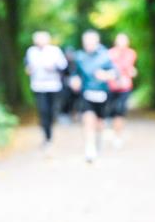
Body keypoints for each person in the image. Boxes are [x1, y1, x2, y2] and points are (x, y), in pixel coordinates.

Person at [70, 30, 117, 163]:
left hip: (102, 94)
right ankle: (89, 148)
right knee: (88, 119)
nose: (88, 44)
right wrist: (75, 80)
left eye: (91, 41)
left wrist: (106, 75)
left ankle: (97, 141)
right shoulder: (79, 56)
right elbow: (74, 73)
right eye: (86, 41)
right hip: (86, 93)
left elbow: (114, 73)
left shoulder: (105, 56)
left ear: (97, 42)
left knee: (99, 123)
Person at [25, 30, 68, 150]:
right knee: (43, 111)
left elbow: (63, 66)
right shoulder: (31, 52)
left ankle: (50, 128)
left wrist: (53, 67)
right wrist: (30, 69)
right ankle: (47, 136)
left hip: (53, 86)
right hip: (38, 86)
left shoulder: (55, 51)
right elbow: (27, 68)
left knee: (52, 110)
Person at [106, 32, 138, 147]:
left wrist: (131, 72)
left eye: (124, 41)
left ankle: (118, 135)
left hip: (125, 87)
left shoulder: (131, 53)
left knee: (120, 110)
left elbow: (129, 68)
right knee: (111, 110)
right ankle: (112, 130)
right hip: (112, 87)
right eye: (120, 41)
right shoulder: (109, 53)